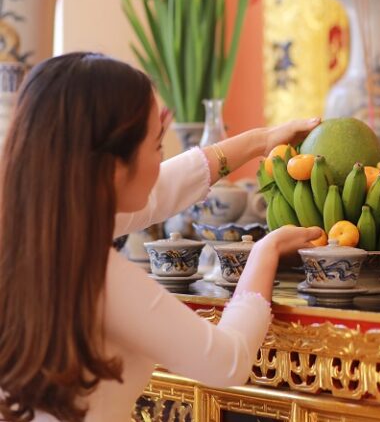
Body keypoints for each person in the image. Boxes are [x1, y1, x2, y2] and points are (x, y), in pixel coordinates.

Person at [0, 52, 322, 422]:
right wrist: (266, 250)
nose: (161, 157)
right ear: (113, 169)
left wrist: (259, 140)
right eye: (156, 145)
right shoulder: (99, 278)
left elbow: (161, 188)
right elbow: (226, 361)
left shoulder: (30, 232)